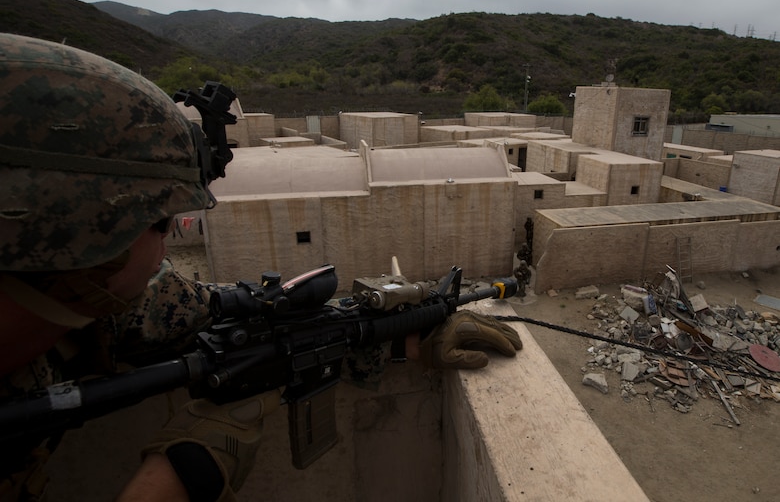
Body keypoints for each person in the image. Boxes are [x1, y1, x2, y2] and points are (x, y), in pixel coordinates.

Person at [0, 33, 522, 502]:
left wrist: (412, 333)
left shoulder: (121, 306)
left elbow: (277, 332)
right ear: (73, 230)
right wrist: (194, 458)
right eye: (158, 221)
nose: (164, 250)